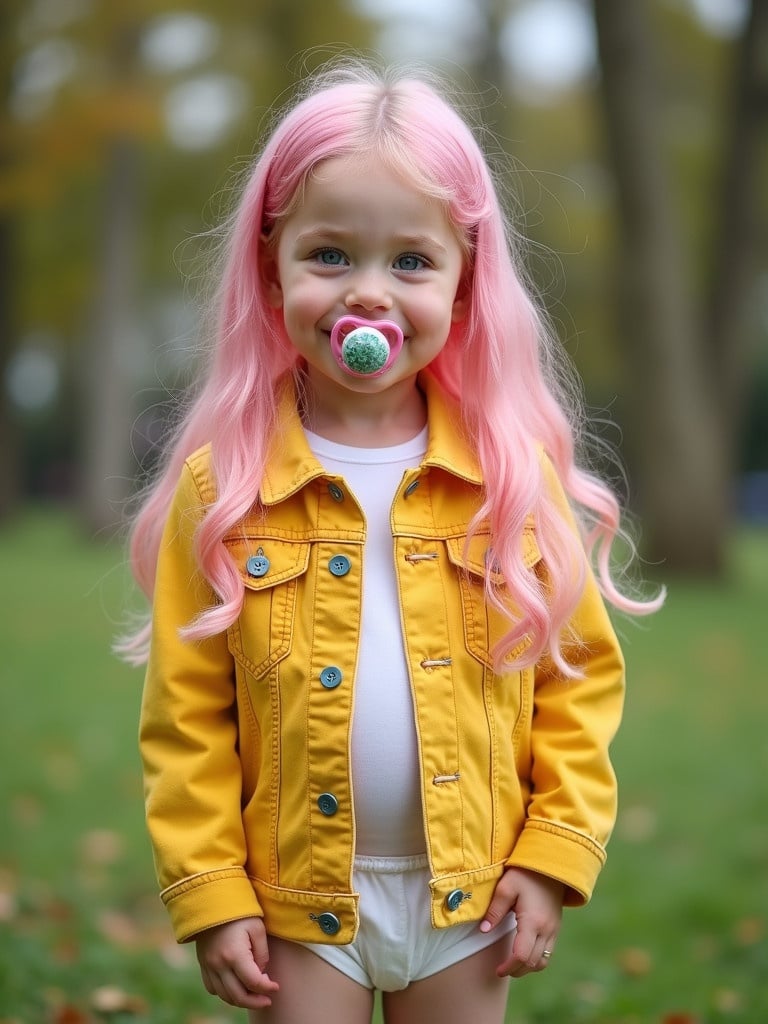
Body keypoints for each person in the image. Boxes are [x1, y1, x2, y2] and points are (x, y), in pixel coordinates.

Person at [124, 60, 662, 1024]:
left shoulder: (508, 476)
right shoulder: (226, 488)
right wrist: (209, 890)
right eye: (329, 255)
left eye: (411, 262)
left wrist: (553, 856)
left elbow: (576, 682)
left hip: (472, 894)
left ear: (463, 285)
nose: (367, 295)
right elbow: (185, 717)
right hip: (297, 903)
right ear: (270, 264)